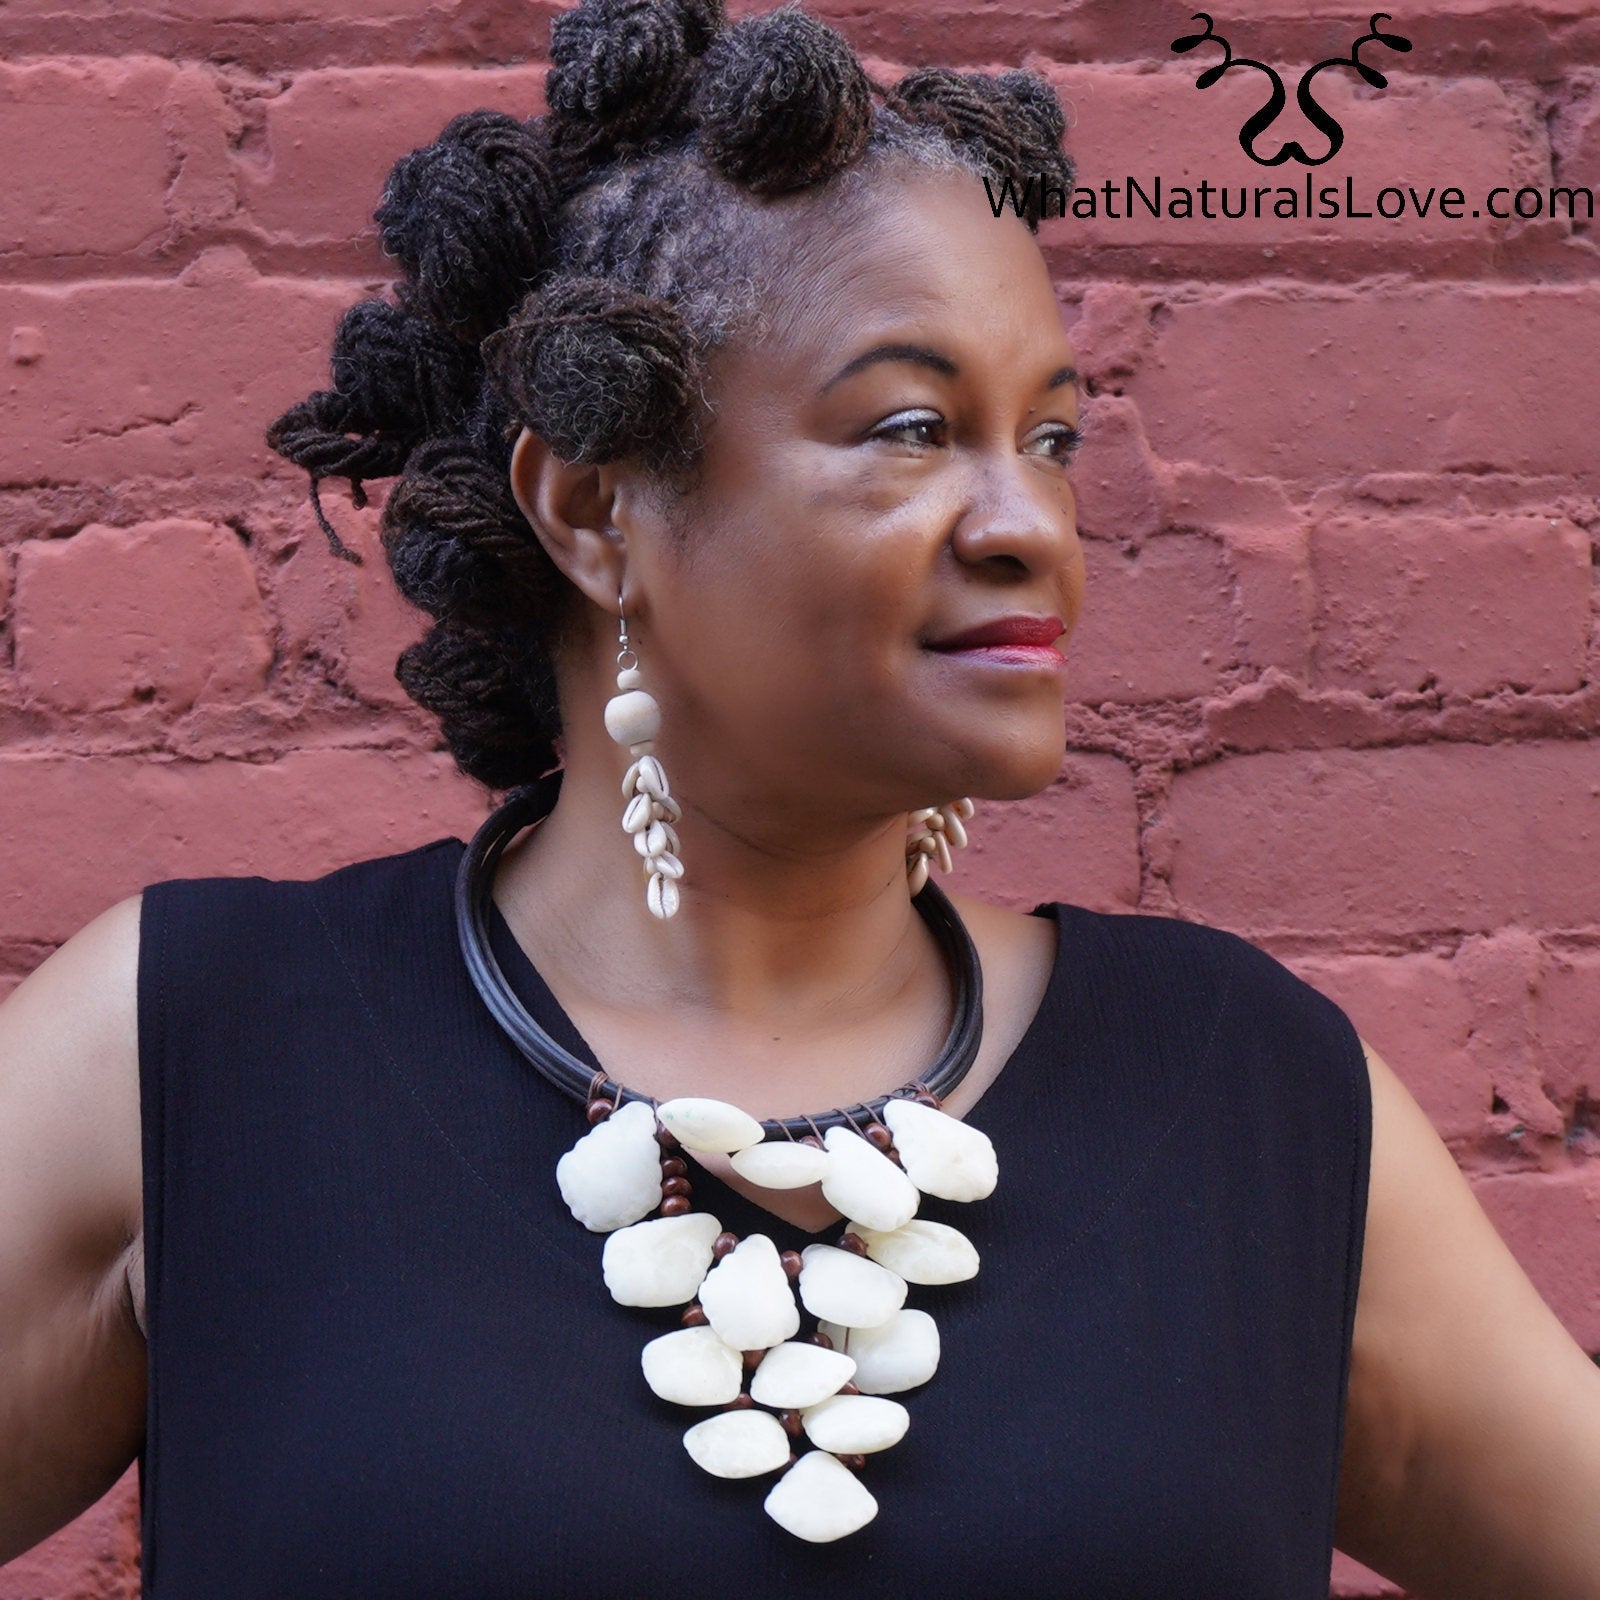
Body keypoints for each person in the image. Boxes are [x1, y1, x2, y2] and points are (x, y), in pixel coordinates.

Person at [2, 0, 1598, 1594]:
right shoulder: (196, 1050)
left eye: (1050, 437)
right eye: (912, 428)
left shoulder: (1252, 1099)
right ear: (596, 510)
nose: (1031, 522)